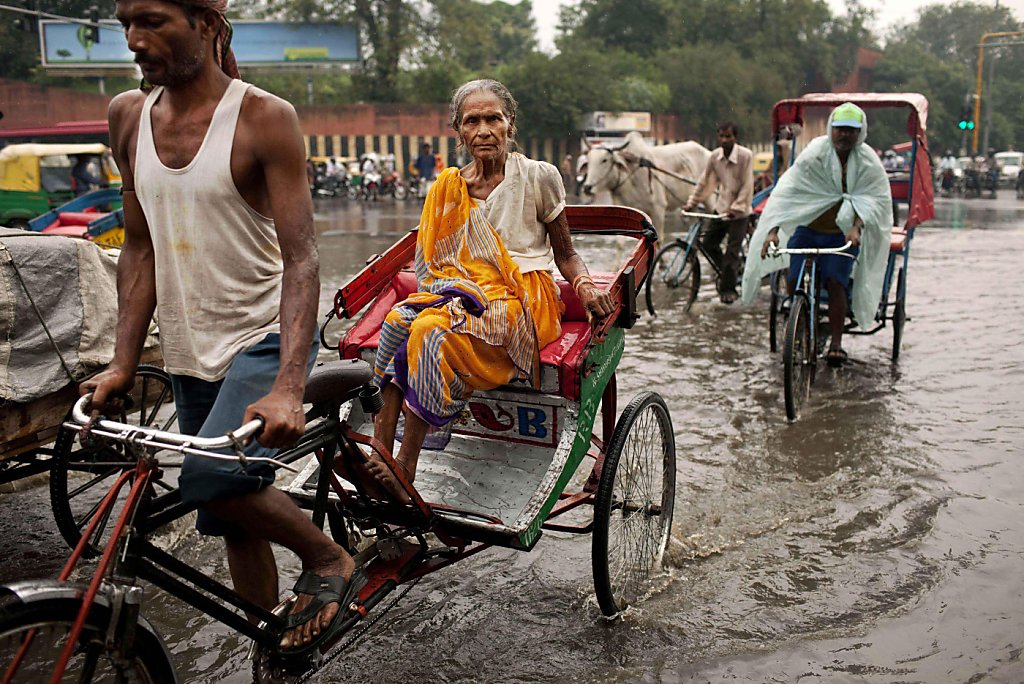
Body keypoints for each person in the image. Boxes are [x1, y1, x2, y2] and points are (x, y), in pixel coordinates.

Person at [87, 0, 357, 654]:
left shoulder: (263, 118)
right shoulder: (128, 117)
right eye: (126, 22)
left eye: (153, 21)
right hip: (188, 349)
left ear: (205, 23)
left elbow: (302, 257)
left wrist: (290, 384)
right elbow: (141, 248)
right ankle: (268, 644)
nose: (134, 40)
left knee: (210, 481)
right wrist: (124, 362)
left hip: (260, 336)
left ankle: (327, 559)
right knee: (236, 514)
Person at [351, 78, 615, 501]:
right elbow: (433, 261)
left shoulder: (538, 177)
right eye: (472, 121)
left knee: (429, 330)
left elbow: (566, 253)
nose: (484, 129)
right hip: (461, 296)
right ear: (458, 131)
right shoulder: (447, 188)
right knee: (400, 320)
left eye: (493, 118)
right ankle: (382, 453)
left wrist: (583, 285)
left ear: (510, 124)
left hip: (523, 302)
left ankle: (406, 467)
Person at [744, 102, 891, 367]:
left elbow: (870, 201)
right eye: (840, 129)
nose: (845, 135)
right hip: (808, 230)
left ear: (860, 133)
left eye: (851, 130)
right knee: (793, 280)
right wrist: (773, 231)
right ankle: (800, 324)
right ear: (830, 129)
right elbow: (788, 194)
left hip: (841, 235)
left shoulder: (869, 162)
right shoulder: (815, 154)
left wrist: (856, 227)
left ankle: (836, 343)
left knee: (836, 283)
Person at [682, 122, 754, 304]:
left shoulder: (746, 156)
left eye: (728, 136)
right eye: (721, 136)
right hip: (721, 207)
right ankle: (728, 271)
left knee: (732, 251)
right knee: (708, 244)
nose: (724, 140)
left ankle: (728, 289)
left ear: (735, 138)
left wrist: (736, 208)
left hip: (740, 212)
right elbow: (704, 181)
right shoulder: (715, 157)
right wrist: (692, 203)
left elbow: (747, 186)